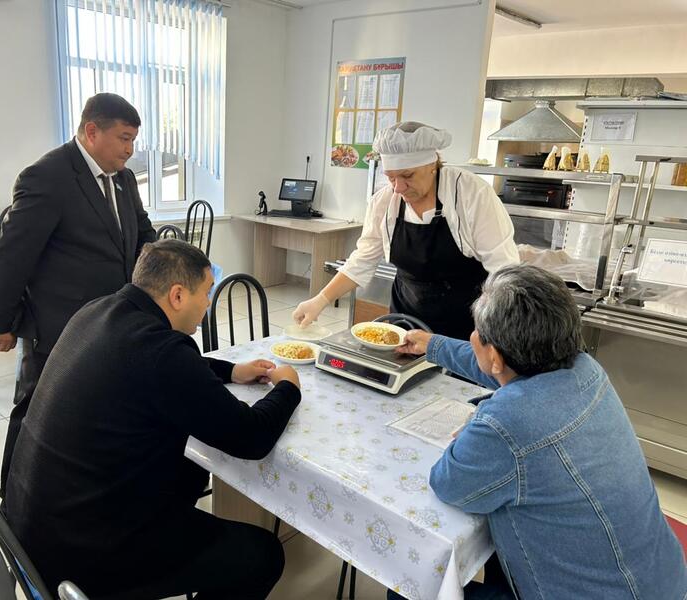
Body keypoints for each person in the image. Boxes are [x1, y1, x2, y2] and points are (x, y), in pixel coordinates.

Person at [5, 240, 302, 599]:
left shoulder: (97, 311)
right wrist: (288, 387)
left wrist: (232, 371)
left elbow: (167, 367)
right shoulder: (162, 352)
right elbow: (252, 437)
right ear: (177, 296)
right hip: (77, 559)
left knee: (191, 469)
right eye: (206, 292)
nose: (209, 303)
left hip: (28, 531)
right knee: (263, 555)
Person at [389, 265, 687, 600]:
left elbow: (448, 483)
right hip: (661, 581)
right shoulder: (585, 368)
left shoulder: (506, 422)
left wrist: (477, 427)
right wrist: (433, 345)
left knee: (409, 580)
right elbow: (499, 369)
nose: (473, 337)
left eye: (477, 332)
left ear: (494, 354)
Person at [0, 93, 156, 495]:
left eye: (134, 140)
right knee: (35, 409)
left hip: (110, 319)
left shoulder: (123, 179)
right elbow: (12, 256)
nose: (130, 150)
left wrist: (165, 270)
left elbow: (142, 232)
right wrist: (2, 323)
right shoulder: (48, 176)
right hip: (58, 323)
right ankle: (11, 496)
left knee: (93, 404)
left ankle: (80, 483)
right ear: (92, 131)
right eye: (124, 139)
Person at [293, 121, 519, 340]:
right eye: (390, 177)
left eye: (408, 176)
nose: (398, 187)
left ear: (433, 165)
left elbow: (504, 271)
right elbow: (362, 260)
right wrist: (320, 300)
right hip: (405, 323)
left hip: (465, 329)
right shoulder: (384, 202)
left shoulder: (472, 194)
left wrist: (496, 334)